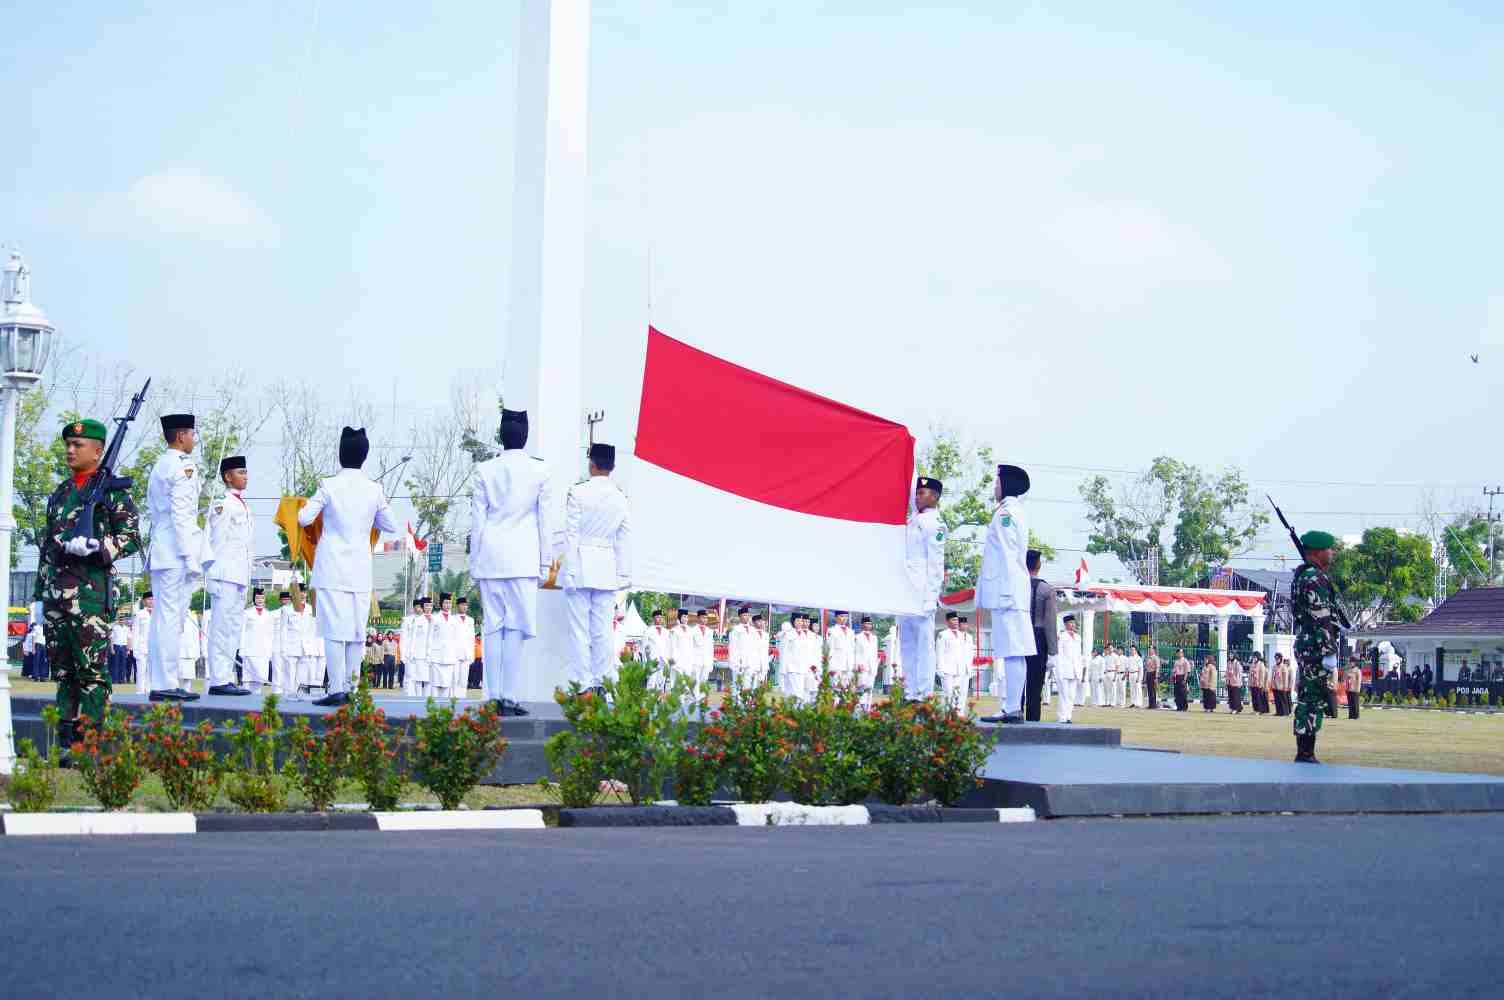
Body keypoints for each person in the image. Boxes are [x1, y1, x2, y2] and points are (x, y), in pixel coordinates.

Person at [32, 417, 142, 749]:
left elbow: (131, 537)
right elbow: (48, 546)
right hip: (56, 595)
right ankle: (66, 744)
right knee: (63, 673)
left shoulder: (112, 492)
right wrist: (40, 594)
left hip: (90, 597)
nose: (70, 450)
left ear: (97, 451)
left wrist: (99, 547)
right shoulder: (62, 492)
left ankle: (90, 744)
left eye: (77, 445)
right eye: (68, 444)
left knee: (91, 673)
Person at [297, 427, 396, 707]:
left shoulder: (328, 485)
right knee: (355, 633)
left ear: (340, 454)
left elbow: (304, 518)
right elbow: (391, 524)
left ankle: (336, 689)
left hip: (331, 568)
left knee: (333, 631)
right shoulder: (374, 489)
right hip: (359, 569)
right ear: (364, 456)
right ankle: (352, 688)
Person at [469, 408, 553, 717]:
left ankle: (493, 695)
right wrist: (545, 562)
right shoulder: (540, 471)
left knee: (493, 626)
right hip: (522, 558)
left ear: (501, 436)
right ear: (525, 436)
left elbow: (477, 521)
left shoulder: (484, 470)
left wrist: (475, 561)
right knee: (516, 627)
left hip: (491, 555)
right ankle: (509, 696)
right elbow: (545, 522)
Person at [145, 413, 206, 702]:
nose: (194, 439)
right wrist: (190, 556)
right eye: (192, 434)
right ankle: (165, 682)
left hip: (163, 548)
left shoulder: (161, 464)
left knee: (165, 619)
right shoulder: (183, 467)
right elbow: (182, 515)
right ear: (181, 436)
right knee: (170, 619)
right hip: (175, 551)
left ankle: (161, 680)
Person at [562, 442, 632, 695]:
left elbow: (571, 534)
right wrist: (623, 574)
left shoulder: (578, 492)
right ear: (612, 467)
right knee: (603, 630)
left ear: (591, 464)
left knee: (579, 630)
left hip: (580, 565)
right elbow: (624, 537)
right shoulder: (621, 497)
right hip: (606, 567)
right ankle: (603, 682)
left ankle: (583, 684)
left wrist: (569, 570)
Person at [975, 464, 1033, 724]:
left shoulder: (1006, 513)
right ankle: (1011, 706)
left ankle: (1011, 708)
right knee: (1013, 651)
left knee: (1012, 650)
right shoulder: (1011, 510)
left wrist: (1007, 593)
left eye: (997, 482)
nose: (994, 487)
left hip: (1008, 592)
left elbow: (1009, 555)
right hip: (1010, 592)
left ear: (1007, 484)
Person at [201, 455, 254, 696]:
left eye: (246, 472)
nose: (245, 476)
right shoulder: (223, 504)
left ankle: (226, 677)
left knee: (233, 628)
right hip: (224, 575)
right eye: (240, 472)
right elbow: (215, 541)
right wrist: (212, 575)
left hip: (239, 575)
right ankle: (218, 680)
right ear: (227, 476)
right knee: (221, 628)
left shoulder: (243, 504)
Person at [1292, 529, 1343, 763]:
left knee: (1309, 696)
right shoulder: (1315, 578)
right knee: (1312, 699)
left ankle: (1305, 750)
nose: (1332, 553)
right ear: (1317, 552)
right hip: (1315, 646)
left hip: (1307, 643)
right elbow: (1321, 617)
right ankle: (1305, 753)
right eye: (1328, 549)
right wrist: (1329, 651)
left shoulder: (1303, 575)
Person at [898, 476, 946, 701]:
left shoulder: (935, 523)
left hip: (922, 592)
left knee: (924, 645)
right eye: (916, 493)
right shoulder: (912, 519)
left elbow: (936, 564)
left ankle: (924, 693)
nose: (917, 497)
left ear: (934, 497)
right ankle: (909, 691)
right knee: (907, 644)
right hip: (906, 590)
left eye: (922, 493)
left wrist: (931, 597)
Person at [1015, 549, 1058, 722]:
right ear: (1038, 565)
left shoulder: (1016, 586)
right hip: (1038, 638)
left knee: (1017, 684)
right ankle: (1033, 724)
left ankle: (1015, 718)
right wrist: (1053, 652)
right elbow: (1050, 622)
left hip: (1018, 636)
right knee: (1035, 687)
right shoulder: (1046, 589)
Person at [240, 588, 274, 693]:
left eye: (262, 598)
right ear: (254, 599)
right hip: (249, 650)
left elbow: (270, 634)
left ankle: (256, 699)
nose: (260, 600)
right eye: (258, 598)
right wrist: (241, 649)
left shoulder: (268, 614)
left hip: (263, 651)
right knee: (247, 679)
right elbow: (242, 631)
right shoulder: (247, 613)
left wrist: (270, 651)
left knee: (260, 679)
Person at [1052, 614, 1085, 724]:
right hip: (1064, 669)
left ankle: (1068, 716)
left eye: (1074, 623)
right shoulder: (1061, 636)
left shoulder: (1078, 637)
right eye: (1070, 623)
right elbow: (1059, 655)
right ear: (1065, 624)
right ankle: (1062, 717)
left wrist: (1080, 671)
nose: (1073, 625)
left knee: (1071, 695)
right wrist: (1059, 671)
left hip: (1075, 670)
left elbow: (1079, 655)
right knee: (1063, 694)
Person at [936, 611, 971, 717]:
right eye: (953, 620)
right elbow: (939, 652)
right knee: (948, 693)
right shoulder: (943, 634)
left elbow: (964, 653)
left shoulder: (961, 635)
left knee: (958, 693)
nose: (956, 622)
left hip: (959, 669)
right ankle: (947, 715)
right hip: (947, 669)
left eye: (956, 620)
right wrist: (939, 668)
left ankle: (958, 714)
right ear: (947, 621)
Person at [429, 592, 459, 699]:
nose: (447, 605)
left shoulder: (454, 619)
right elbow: (430, 637)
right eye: (445, 603)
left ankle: (444, 706)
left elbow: (456, 638)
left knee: (446, 685)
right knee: (435, 684)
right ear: (441, 604)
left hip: (449, 656)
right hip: (436, 656)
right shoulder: (435, 618)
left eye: (449, 603)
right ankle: (433, 707)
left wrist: (456, 654)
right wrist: (429, 654)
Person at [401, 597, 427, 696]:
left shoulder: (426, 620)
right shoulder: (407, 620)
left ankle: (418, 697)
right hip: (409, 652)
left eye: (420, 607)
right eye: (416, 607)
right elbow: (403, 637)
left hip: (421, 653)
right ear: (413, 608)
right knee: (409, 676)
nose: (418, 609)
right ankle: (408, 696)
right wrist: (403, 653)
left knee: (419, 678)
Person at [670, 608, 699, 691]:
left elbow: (693, 646)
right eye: (684, 617)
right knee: (678, 681)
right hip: (678, 660)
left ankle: (685, 698)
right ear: (679, 618)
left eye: (687, 617)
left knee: (687, 682)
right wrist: (674, 660)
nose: (686, 619)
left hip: (688, 660)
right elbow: (673, 646)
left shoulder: (691, 630)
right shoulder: (674, 630)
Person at [853, 616, 879, 706]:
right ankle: (859, 708)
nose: (868, 625)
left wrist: (876, 664)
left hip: (872, 667)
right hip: (862, 667)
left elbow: (875, 652)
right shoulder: (857, 637)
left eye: (870, 623)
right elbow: (856, 652)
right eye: (866, 623)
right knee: (861, 688)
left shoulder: (874, 638)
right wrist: (858, 664)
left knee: (870, 689)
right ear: (862, 624)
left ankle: (868, 709)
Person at [130, 591, 154, 689]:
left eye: (152, 599)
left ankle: (149, 692)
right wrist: (135, 649)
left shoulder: (158, 614)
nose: (151, 601)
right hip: (141, 648)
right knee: (141, 672)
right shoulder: (139, 614)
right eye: (149, 599)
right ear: (144, 601)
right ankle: (140, 693)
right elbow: (135, 632)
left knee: (151, 673)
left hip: (154, 648)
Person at [826, 611, 856, 687]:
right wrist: (831, 666)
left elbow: (852, 649)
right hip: (837, 664)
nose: (844, 618)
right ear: (836, 618)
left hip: (848, 664)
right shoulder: (832, 630)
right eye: (842, 616)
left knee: (847, 688)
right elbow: (830, 649)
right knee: (836, 687)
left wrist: (853, 663)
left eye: (846, 616)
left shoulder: (851, 631)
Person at [643, 609, 671, 684]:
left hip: (663, 660)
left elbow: (668, 646)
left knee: (662, 682)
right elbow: (644, 647)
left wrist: (668, 659)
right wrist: (647, 661)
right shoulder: (648, 631)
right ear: (653, 618)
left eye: (661, 617)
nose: (660, 619)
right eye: (658, 617)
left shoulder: (666, 632)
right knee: (651, 681)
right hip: (653, 660)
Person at [179, 610, 202, 691]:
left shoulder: (193, 616)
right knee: (175, 679)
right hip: (177, 652)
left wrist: (197, 652)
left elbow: (196, 635)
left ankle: (187, 693)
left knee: (188, 678)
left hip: (189, 653)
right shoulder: (174, 614)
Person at [747, 614, 771, 688]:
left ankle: (756, 694)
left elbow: (766, 649)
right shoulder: (750, 633)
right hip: (753, 660)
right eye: (758, 621)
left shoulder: (766, 635)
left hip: (763, 661)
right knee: (749, 682)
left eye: (761, 621)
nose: (761, 623)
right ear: (754, 623)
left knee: (759, 682)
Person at [108, 612, 130, 685]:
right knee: (115, 664)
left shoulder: (127, 628)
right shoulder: (115, 628)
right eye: (120, 620)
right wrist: (112, 648)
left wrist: (128, 649)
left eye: (123, 620)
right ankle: (115, 680)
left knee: (123, 664)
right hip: (116, 646)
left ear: (125, 620)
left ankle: (122, 680)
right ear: (118, 620)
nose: (122, 621)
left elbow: (128, 639)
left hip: (124, 647)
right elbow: (111, 638)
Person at [1126, 645, 1145, 709]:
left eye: (1133, 650)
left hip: (1136, 674)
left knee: (1138, 689)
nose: (1132, 651)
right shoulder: (1129, 658)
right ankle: (1133, 702)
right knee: (1132, 689)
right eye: (1131, 650)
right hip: (1131, 674)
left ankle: (1138, 703)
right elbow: (1128, 668)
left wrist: (1139, 678)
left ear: (1136, 650)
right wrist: (1127, 675)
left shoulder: (1138, 658)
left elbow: (1140, 668)